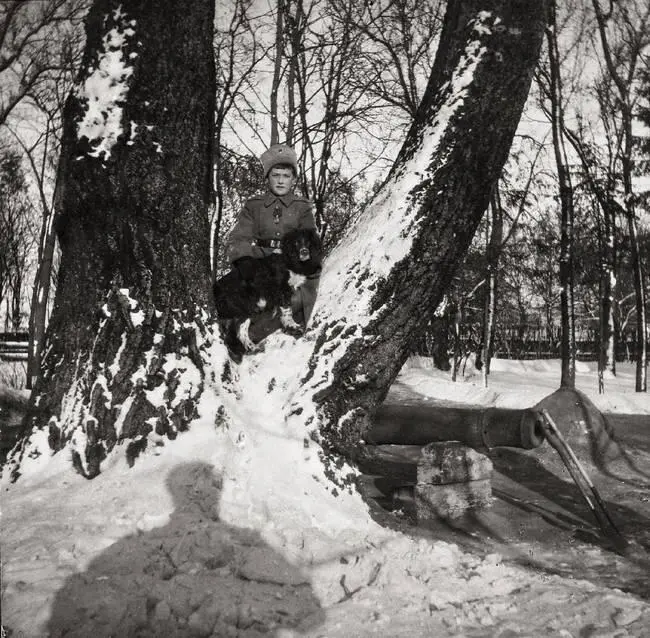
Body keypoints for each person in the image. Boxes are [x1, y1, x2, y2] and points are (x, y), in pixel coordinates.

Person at [225, 143, 320, 344]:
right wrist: (244, 259)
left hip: (291, 265)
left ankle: (250, 338)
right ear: (267, 177)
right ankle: (230, 335)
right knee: (227, 294)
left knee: (289, 298)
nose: (280, 181)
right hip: (260, 261)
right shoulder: (255, 205)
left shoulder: (302, 207)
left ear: (293, 179)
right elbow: (238, 238)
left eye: (286, 176)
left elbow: (310, 241)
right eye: (275, 175)